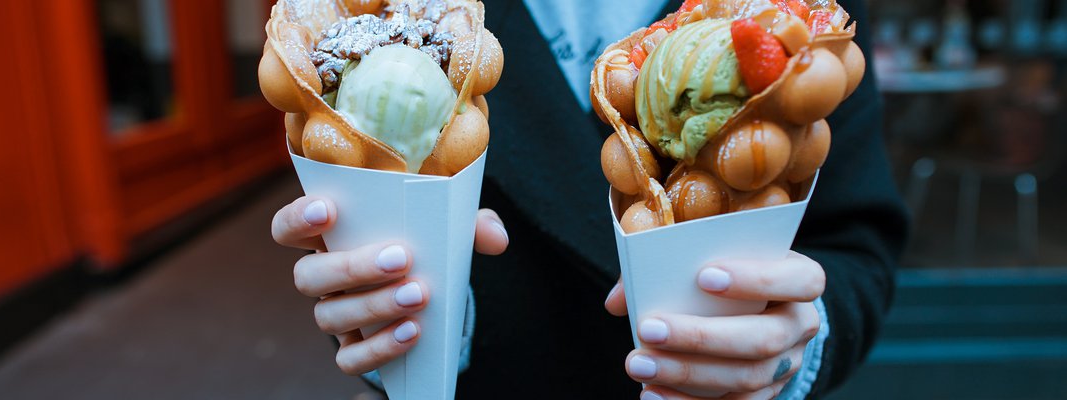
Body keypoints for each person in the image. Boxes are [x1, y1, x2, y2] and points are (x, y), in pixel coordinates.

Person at [270, 0, 907, 398]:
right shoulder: (395, 15)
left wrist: (790, 347)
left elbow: (855, 241)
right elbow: (362, 229)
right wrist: (402, 321)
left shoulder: (798, 23)